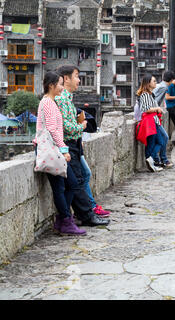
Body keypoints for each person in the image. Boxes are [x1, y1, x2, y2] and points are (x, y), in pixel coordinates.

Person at [55, 65, 109, 227]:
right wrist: (83, 126)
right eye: (77, 76)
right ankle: (84, 215)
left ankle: (84, 212)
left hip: (74, 144)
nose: (79, 80)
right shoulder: (62, 99)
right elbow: (67, 127)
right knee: (76, 180)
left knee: (81, 177)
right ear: (66, 79)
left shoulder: (67, 98)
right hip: (68, 145)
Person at [34, 71, 86, 236]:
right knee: (61, 186)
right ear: (51, 86)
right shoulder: (48, 103)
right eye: (60, 84)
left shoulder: (51, 102)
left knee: (70, 184)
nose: (62, 87)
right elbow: (51, 129)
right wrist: (64, 150)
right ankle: (65, 220)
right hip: (52, 149)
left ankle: (63, 220)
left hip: (54, 148)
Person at [136, 75, 172, 172]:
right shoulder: (145, 95)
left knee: (155, 141)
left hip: (153, 120)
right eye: (154, 81)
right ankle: (151, 159)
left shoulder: (149, 94)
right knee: (159, 140)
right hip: (151, 121)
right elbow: (146, 109)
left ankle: (152, 161)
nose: (156, 83)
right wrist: (157, 108)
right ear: (148, 84)